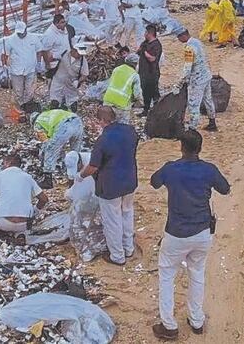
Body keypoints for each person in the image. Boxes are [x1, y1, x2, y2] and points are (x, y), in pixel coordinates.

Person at [149, 130, 230, 340]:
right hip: (202, 232)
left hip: (176, 232)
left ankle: (169, 324)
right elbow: (225, 189)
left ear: (181, 147)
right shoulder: (208, 170)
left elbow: (154, 182)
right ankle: (196, 320)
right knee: (197, 274)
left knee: (167, 276)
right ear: (200, 148)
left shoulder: (171, 169)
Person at [81, 106, 139, 266]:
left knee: (112, 220)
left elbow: (93, 167)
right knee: (127, 213)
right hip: (129, 180)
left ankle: (117, 256)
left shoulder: (103, 140)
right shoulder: (130, 131)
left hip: (110, 185)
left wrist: (80, 176)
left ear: (100, 121)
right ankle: (128, 248)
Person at [0, 154, 48, 234]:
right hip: (25, 225)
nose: (3, 165)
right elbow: (44, 199)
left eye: (3, 163)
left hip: (3, 224)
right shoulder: (28, 177)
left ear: (8, 162)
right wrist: (35, 212)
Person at [176, 28, 217, 132]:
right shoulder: (197, 42)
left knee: (194, 104)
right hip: (206, 75)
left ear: (183, 36)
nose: (178, 40)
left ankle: (192, 128)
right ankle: (212, 122)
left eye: (178, 37)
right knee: (208, 100)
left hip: (197, 79)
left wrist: (179, 83)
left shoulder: (189, 48)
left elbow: (187, 68)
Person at [0, 22, 40, 109]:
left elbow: (38, 50)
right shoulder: (10, 40)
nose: (21, 34)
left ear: (26, 29)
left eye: (22, 32)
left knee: (30, 89)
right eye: (19, 33)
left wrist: (39, 63)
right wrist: (4, 66)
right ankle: (20, 105)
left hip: (31, 68)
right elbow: (4, 54)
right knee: (18, 90)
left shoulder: (33, 38)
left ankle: (28, 103)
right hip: (16, 69)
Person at [34, 108, 86, 173]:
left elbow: (46, 142)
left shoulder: (37, 122)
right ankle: (76, 172)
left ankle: (47, 174)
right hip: (77, 121)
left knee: (50, 149)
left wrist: (42, 157)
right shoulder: (47, 114)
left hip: (64, 125)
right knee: (75, 153)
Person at [103, 53, 141, 124]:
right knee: (122, 127)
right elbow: (137, 94)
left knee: (108, 125)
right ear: (136, 64)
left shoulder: (117, 69)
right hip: (122, 106)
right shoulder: (135, 76)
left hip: (108, 101)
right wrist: (140, 102)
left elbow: (109, 84)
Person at [138, 25, 163, 117]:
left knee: (154, 92)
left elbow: (152, 59)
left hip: (152, 73)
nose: (144, 35)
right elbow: (138, 51)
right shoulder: (145, 43)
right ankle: (146, 110)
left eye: (146, 33)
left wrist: (144, 52)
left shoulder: (156, 45)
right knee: (145, 92)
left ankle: (158, 111)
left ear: (150, 33)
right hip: (143, 73)